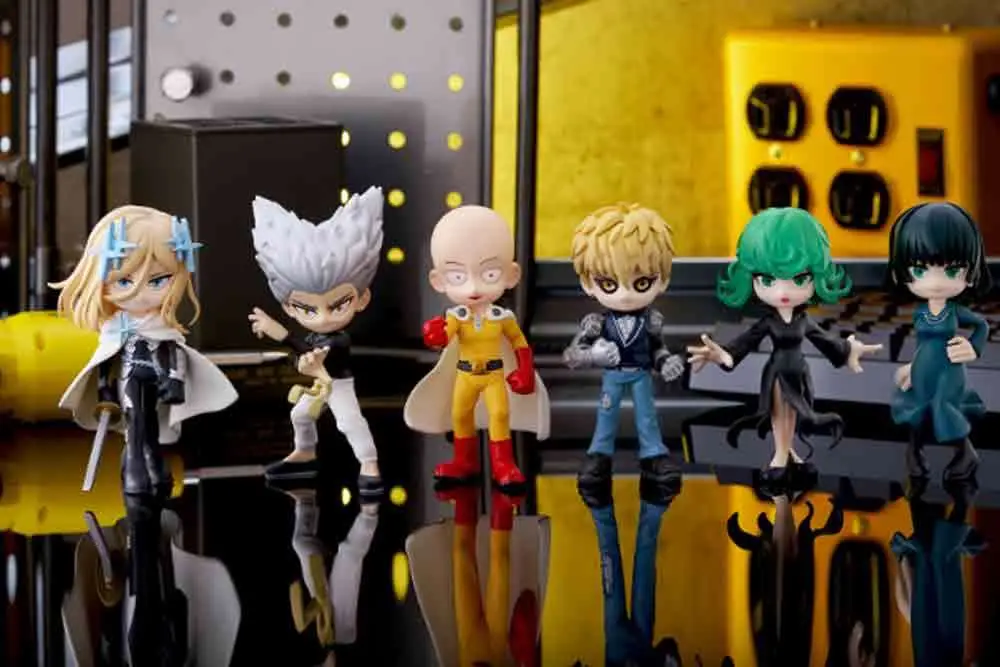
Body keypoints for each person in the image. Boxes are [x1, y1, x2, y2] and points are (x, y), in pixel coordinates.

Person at [688, 208, 881, 490]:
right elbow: (746, 341)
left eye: (799, 279)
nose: (782, 291)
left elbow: (825, 340)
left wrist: (849, 350)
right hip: (777, 373)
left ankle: (789, 451)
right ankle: (780, 454)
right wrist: (723, 355)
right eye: (767, 280)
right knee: (779, 411)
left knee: (795, 412)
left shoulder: (803, 320)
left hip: (800, 371)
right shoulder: (769, 321)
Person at [54, 205, 238, 499]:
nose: (140, 293)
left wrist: (174, 380)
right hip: (130, 378)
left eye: (157, 281)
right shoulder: (116, 329)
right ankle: (135, 468)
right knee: (136, 423)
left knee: (149, 424)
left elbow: (173, 353)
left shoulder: (162, 327)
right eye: (124, 281)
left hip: (155, 380)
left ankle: (153, 463)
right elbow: (106, 360)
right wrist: (104, 388)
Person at [247, 188, 384, 496]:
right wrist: (274, 330)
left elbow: (313, 356)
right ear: (288, 307)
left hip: (339, 387)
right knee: (300, 415)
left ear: (362, 299)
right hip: (321, 386)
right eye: (308, 309)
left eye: (338, 305)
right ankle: (304, 452)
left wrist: (306, 361)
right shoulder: (313, 336)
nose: (322, 318)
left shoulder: (339, 339)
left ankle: (369, 464)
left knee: (349, 422)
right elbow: (300, 348)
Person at [404, 206, 550, 492]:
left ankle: (503, 465)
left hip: (494, 376)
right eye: (458, 277)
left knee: (500, 415)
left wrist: (525, 371)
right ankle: (464, 462)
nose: (474, 287)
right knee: (460, 415)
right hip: (465, 376)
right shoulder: (456, 317)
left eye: (490, 274)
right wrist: (435, 334)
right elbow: (444, 338)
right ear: (438, 281)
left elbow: (519, 343)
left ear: (511, 275)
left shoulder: (502, 318)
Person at [563, 202, 686, 497]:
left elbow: (657, 349)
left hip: (641, 375)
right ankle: (599, 456)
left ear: (662, 280)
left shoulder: (651, 321)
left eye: (642, 282)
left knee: (647, 416)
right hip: (613, 376)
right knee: (606, 416)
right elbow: (572, 356)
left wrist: (666, 362)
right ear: (588, 283)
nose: (625, 294)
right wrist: (594, 355)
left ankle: (654, 455)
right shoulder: (597, 323)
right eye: (608, 283)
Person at [886, 202, 991, 482]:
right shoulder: (921, 312)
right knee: (917, 408)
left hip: (948, 369)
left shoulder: (954, 311)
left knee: (944, 407)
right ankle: (914, 453)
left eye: (953, 270)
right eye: (920, 270)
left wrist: (973, 347)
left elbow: (981, 325)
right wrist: (911, 367)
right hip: (924, 367)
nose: (935, 281)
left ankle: (966, 453)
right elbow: (921, 344)